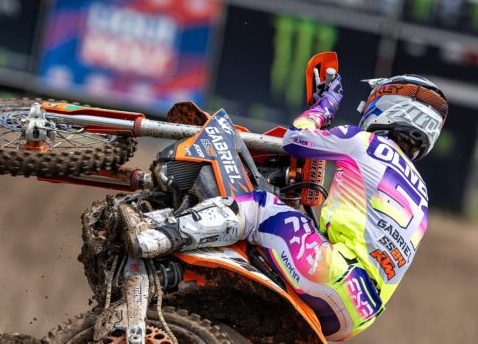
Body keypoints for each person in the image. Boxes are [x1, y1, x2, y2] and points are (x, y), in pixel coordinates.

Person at [120, 70, 448, 341]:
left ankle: (157, 235)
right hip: (358, 315)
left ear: (390, 106)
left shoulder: (365, 143)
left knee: (260, 207)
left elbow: (295, 139)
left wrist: (324, 107)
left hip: (333, 272)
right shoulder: (422, 196)